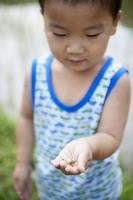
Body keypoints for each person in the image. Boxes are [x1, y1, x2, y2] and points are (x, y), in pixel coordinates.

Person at [13, 0, 131, 199]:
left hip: (97, 191)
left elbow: (111, 136)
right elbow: (26, 118)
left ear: (115, 22)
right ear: (44, 20)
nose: (75, 48)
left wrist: (88, 146)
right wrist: (22, 163)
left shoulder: (115, 80)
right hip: (50, 184)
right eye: (60, 34)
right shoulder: (36, 72)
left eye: (91, 34)